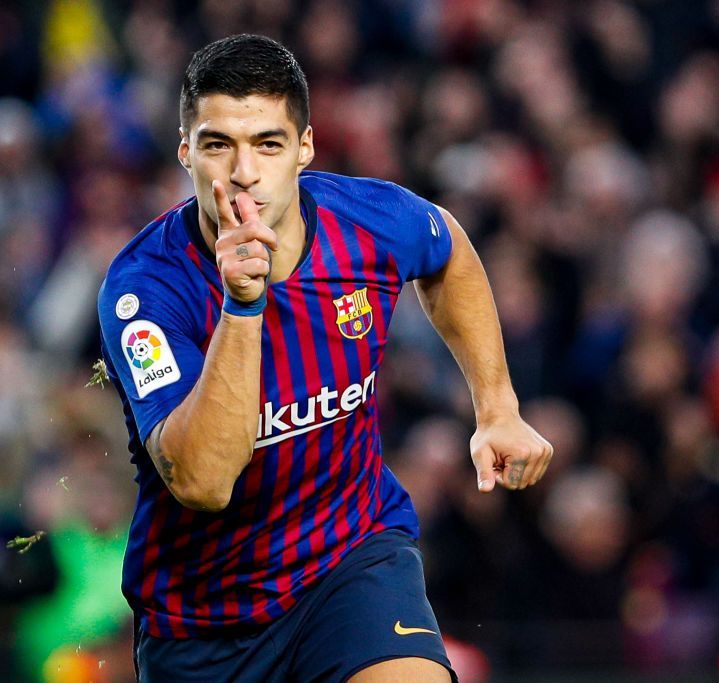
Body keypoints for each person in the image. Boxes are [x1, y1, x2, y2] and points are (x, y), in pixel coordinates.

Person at [97, 34, 553, 682]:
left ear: (305, 148)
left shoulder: (366, 221)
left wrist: (497, 406)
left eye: (268, 144)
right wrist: (242, 306)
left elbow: (445, 247)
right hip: (205, 620)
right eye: (218, 144)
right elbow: (203, 482)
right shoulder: (145, 290)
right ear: (185, 152)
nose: (244, 171)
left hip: (349, 560)